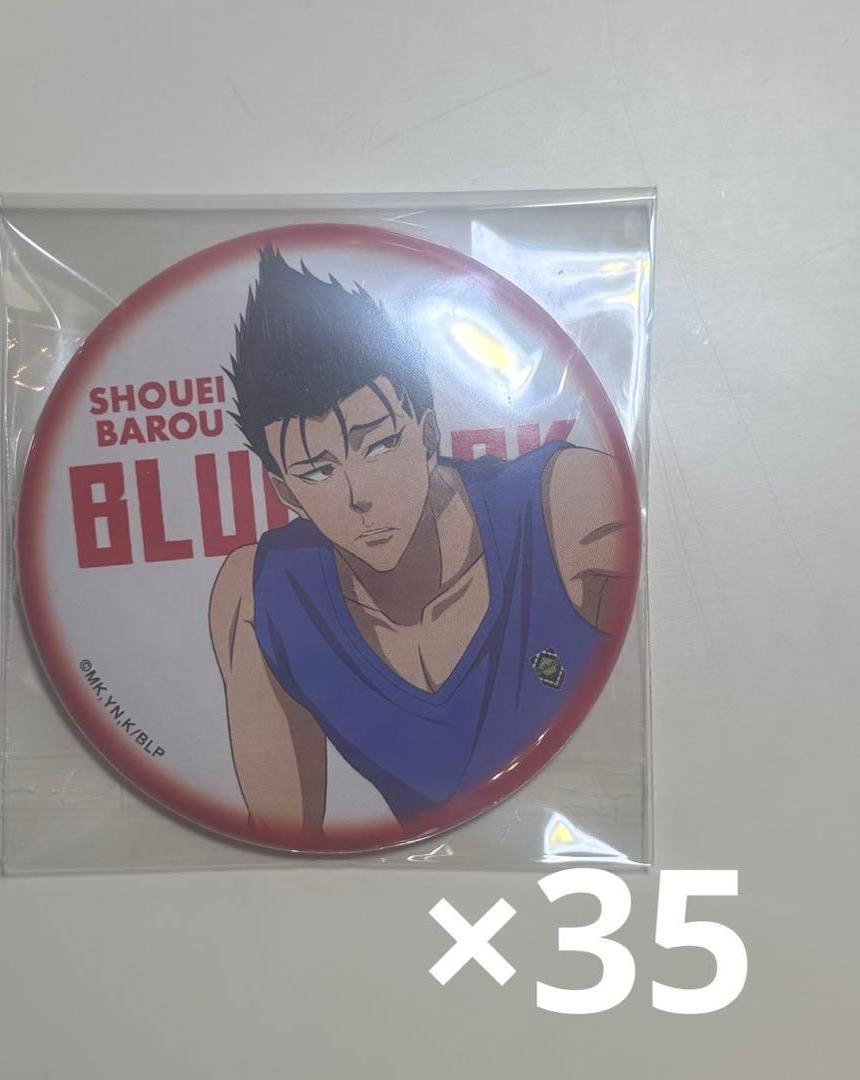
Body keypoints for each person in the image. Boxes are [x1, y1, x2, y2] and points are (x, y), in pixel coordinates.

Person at [209, 246, 634, 836]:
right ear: (287, 494)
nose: (358, 494)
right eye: (317, 471)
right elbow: (285, 842)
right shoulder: (260, 598)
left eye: (380, 444)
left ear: (429, 436)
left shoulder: (565, 505)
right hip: (421, 882)